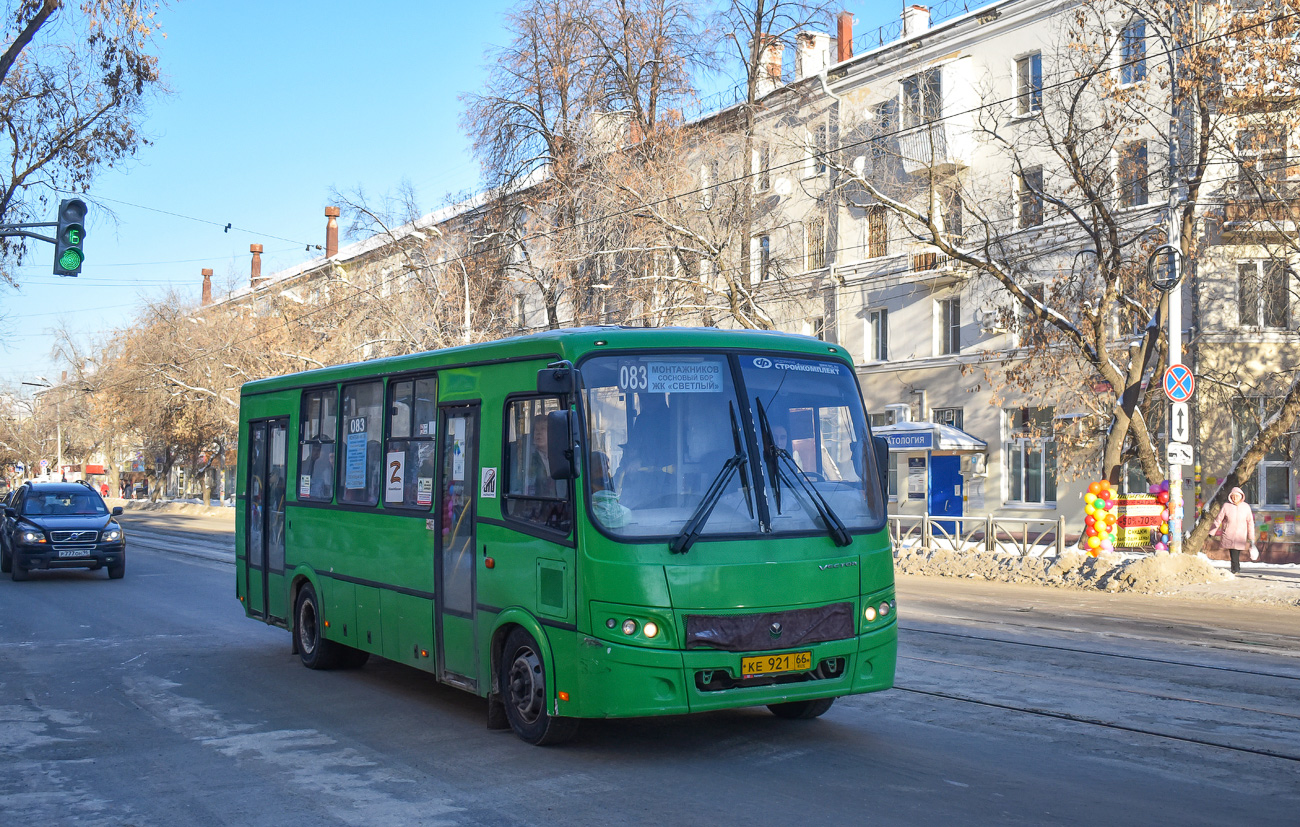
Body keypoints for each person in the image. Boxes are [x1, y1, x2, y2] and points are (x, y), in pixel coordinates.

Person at [1210, 486, 1255, 574]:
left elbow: (1250, 523)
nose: (1234, 498)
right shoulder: (1226, 506)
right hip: (1229, 533)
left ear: (1241, 497)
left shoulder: (1246, 507)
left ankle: (1235, 568)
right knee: (1234, 551)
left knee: (1236, 552)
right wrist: (1212, 532)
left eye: (1236, 496)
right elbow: (1219, 519)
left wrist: (1251, 537)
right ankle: (1236, 569)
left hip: (1241, 534)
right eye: (1233, 496)